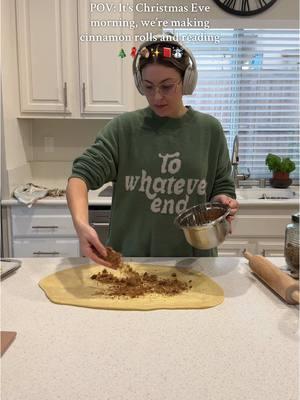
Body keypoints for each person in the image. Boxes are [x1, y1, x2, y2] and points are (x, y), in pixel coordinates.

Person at [66, 35, 239, 267]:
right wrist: (81, 223)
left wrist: (223, 202)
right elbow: (80, 177)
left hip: (192, 263)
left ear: (186, 82)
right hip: (131, 263)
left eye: (167, 86)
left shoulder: (209, 130)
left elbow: (222, 188)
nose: (156, 96)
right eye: (148, 87)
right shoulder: (123, 129)